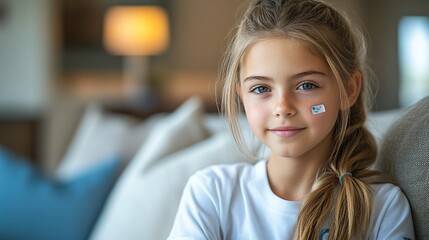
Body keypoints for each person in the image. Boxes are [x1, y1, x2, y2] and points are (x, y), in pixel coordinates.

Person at [168, 0, 415, 239]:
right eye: (261, 89)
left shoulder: (383, 207)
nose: (282, 108)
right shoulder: (212, 193)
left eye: (306, 85)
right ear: (241, 95)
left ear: (348, 90)